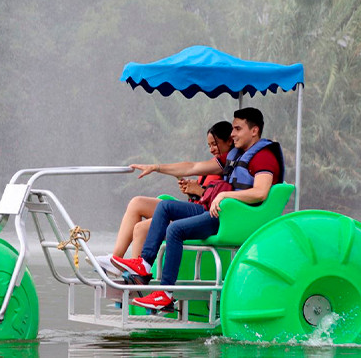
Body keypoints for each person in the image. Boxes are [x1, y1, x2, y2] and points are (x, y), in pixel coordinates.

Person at [111, 107, 284, 310]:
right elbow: (191, 167)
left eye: (238, 128)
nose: (233, 133)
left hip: (235, 218)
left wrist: (225, 194)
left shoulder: (263, 157)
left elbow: (261, 192)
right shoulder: (236, 156)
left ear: (254, 131)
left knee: (175, 230)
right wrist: (157, 167)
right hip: (220, 212)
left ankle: (165, 294)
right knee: (165, 207)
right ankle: (145, 265)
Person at [92, 121, 234, 276]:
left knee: (140, 228)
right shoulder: (216, 163)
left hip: (205, 217)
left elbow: (216, 191)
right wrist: (191, 190)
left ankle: (136, 279)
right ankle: (115, 260)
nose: (212, 149)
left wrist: (200, 191)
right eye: (209, 145)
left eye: (215, 144)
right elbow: (193, 170)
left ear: (229, 141)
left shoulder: (230, 163)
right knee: (136, 202)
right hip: (194, 209)